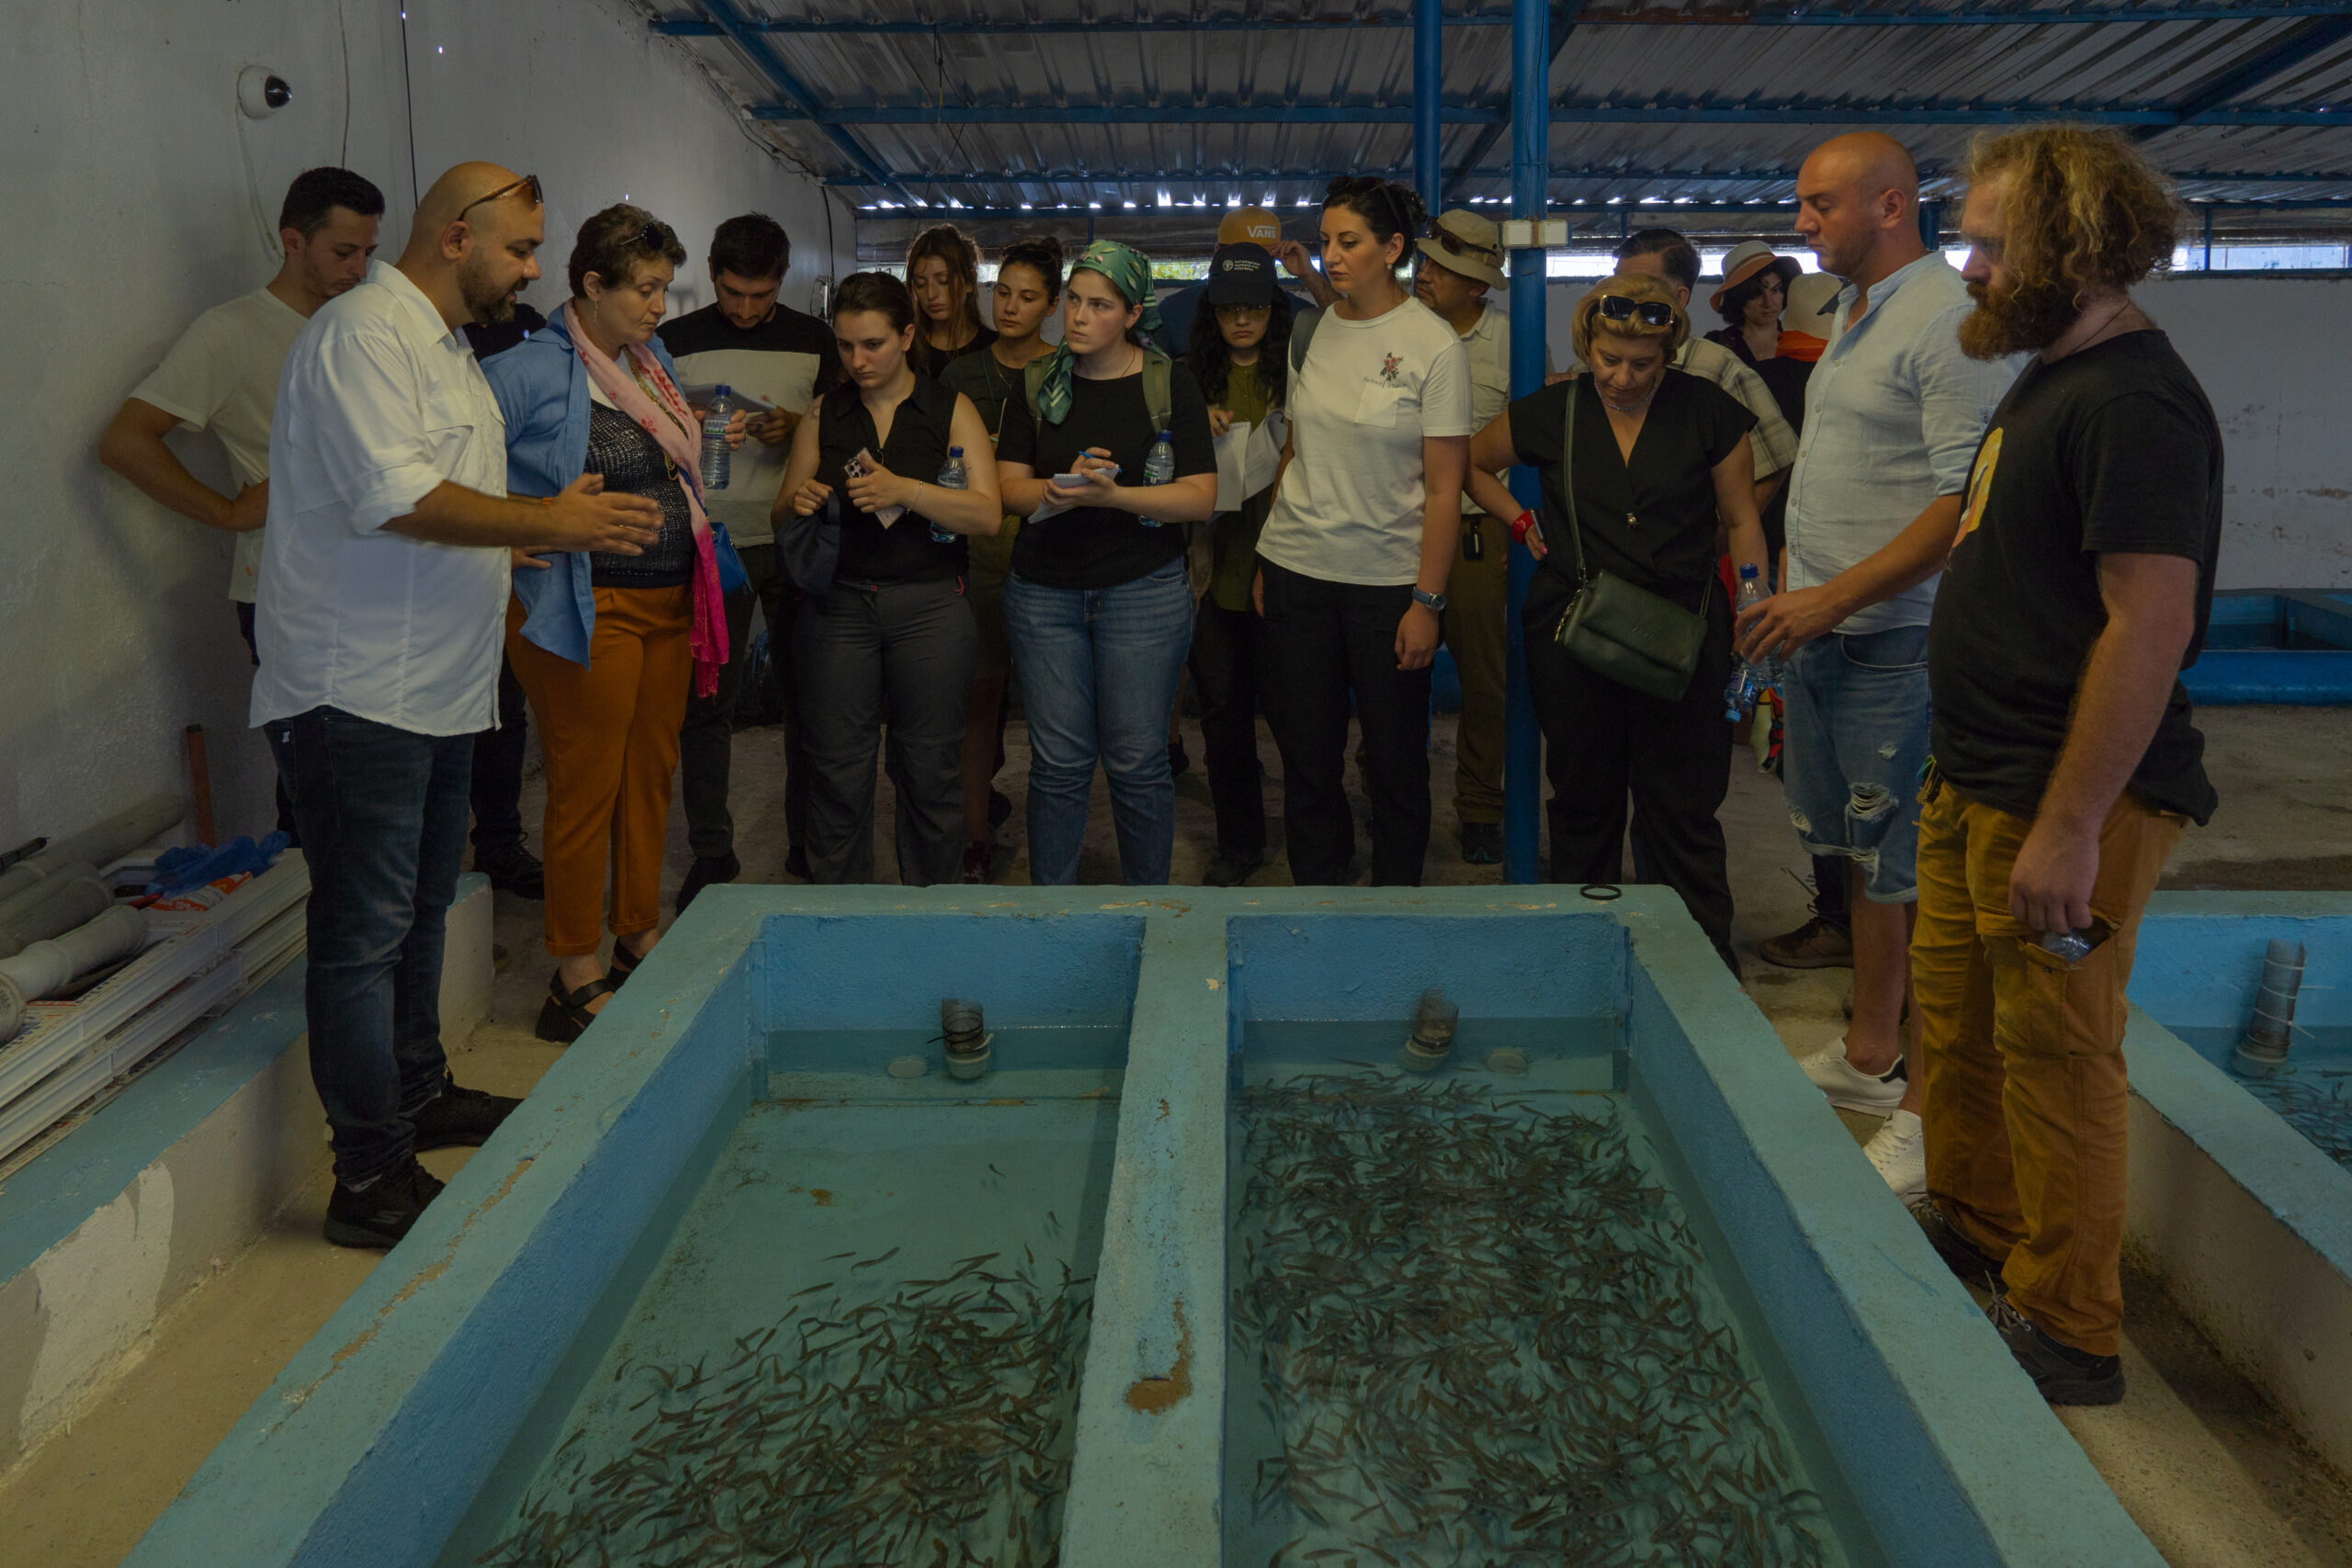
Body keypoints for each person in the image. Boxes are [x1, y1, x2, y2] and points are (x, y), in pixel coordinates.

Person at [253, 164, 665, 1247]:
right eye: (521, 249)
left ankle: (419, 1092)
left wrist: (522, 533)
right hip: (356, 687)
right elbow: (393, 497)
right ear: (455, 239)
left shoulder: (443, 349)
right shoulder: (361, 336)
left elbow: (455, 502)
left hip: (437, 686)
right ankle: (368, 1178)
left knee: (421, 910)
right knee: (361, 936)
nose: (532, 269)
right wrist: (552, 524)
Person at [1905, 126, 2221, 1406]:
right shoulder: (2053, 373)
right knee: (1959, 1029)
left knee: (2058, 1055)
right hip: (1976, 777)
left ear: (2074, 245)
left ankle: (2069, 1326)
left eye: (1990, 242)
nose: (1970, 265)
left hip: (2058, 796)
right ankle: (1979, 1226)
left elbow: (2150, 624)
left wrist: (2072, 823)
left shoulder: (2136, 404)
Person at [1737, 132, 2023, 1200]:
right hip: (1829, 635)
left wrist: (1833, 596)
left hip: (1896, 641)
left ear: (1890, 205)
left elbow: (1964, 503)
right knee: (1865, 861)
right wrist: (1799, 589)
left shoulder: (1946, 321)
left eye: (1819, 204)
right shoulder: (1858, 312)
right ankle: (1869, 1052)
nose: (1800, 222)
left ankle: (1926, 1110)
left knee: (1921, 875)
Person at [484, 204, 745, 1043]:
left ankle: (637, 934)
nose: (660, 306)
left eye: (665, 288)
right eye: (645, 289)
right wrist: (514, 530)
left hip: (670, 600)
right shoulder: (526, 369)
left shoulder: (647, 359)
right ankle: (572, 969)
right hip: (586, 605)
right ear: (592, 285)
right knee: (585, 782)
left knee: (649, 773)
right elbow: (453, 470)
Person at [1466, 276, 1766, 971]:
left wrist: (1754, 598)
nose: (1623, 377)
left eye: (1642, 363)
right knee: (1583, 798)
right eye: (1609, 359)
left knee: (1681, 804)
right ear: (1586, 345)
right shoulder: (1556, 410)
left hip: (1683, 630)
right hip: (1576, 630)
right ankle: (1583, 954)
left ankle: (1696, 962)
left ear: (1669, 353)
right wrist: (1519, 519)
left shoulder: (1707, 410)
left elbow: (1742, 516)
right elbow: (1472, 463)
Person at [100, 166, 385, 843]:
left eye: (368, 252)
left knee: (375, 779)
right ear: (293, 240)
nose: (359, 268)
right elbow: (125, 440)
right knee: (318, 785)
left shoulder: (367, 324)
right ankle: (308, 898)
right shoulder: (230, 331)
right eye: (344, 251)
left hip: (375, 577)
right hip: (288, 590)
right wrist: (226, 513)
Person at [1255, 176, 1472, 888]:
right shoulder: (1316, 330)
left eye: (1349, 242)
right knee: (1307, 759)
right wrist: (1267, 558)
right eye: (1326, 241)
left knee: (1396, 761)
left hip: (1387, 585)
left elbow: (1444, 489)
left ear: (1394, 247)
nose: (1333, 255)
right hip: (1297, 569)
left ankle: (1397, 904)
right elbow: (1295, 451)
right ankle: (1318, 891)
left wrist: (1427, 601)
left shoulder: (1433, 346)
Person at [994, 241, 1218, 886]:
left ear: (1132, 314)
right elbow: (1006, 487)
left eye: (1100, 305)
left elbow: (1199, 497)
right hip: (1044, 595)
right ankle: (1053, 911)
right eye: (1074, 300)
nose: (1080, 316)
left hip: (1142, 592)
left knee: (1137, 761)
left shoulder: (1168, 382)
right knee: (1058, 765)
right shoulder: (1037, 381)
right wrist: (1057, 489)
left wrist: (1114, 496)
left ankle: (1147, 909)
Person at [775, 273, 1002, 885]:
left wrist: (906, 490)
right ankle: (840, 915)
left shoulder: (951, 408)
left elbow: (986, 513)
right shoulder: (825, 411)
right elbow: (780, 511)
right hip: (839, 605)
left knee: (929, 768)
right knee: (837, 768)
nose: (858, 360)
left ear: (906, 336)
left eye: (872, 344)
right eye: (846, 345)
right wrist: (800, 500)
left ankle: (929, 913)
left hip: (931, 605)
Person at [660, 214, 839, 906]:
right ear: (710, 273)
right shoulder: (674, 340)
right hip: (711, 546)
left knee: (810, 704)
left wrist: (799, 428)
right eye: (732, 292)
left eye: (760, 295)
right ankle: (713, 850)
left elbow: (843, 430)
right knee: (706, 706)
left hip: (793, 542)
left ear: (782, 280)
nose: (743, 308)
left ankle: (805, 840)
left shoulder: (815, 340)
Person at [1410, 208, 1554, 867]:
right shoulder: (1399, 334)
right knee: (1393, 673)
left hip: (1477, 533)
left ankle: (1479, 809)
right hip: (1402, 529)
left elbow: (1529, 448)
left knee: (1486, 681)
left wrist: (1514, 532)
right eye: (1426, 261)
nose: (1426, 274)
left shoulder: (1515, 343)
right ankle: (1392, 795)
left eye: (1444, 269)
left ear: (1477, 285)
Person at [940, 235, 1066, 882]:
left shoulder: (1069, 369)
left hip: (1050, 551)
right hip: (980, 553)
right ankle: (975, 837)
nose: (1010, 307)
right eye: (1003, 293)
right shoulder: (961, 375)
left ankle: (1055, 845)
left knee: (1055, 711)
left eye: (1028, 297)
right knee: (979, 699)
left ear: (1052, 306)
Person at [1182, 243, 1295, 886]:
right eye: (1230, 309)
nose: (1243, 320)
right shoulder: (1188, 380)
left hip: (1286, 571)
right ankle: (1239, 843)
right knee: (1223, 722)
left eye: (1254, 307)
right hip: (1213, 575)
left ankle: (1316, 839)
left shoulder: (1298, 375)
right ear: (1213, 313)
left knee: (1298, 718)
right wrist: (1194, 425)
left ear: (1273, 310)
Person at [1605, 231, 1797, 522]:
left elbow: (1775, 457)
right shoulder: (1593, 365)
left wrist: (1724, 534)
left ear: (1679, 297)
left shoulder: (1716, 367)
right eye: (1618, 282)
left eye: (1643, 286)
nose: (1624, 294)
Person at [1151, 205, 1334, 355]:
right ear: (1217, 252)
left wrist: (1309, 274)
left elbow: (1347, 332)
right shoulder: (1174, 311)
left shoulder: (1296, 313)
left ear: (1277, 257)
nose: (1242, 320)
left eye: (1261, 257)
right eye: (1240, 257)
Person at [906, 224, 996, 381]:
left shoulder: (994, 348)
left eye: (944, 281)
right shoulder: (906, 348)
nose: (931, 294)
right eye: (920, 284)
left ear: (970, 281)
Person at [1704, 239, 1803, 369]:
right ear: (1738, 298)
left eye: (1775, 290)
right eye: (1757, 294)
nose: (1768, 302)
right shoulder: (1717, 345)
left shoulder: (1802, 342)